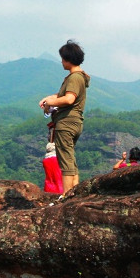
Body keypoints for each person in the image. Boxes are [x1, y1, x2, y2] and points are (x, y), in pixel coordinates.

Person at [39, 41, 90, 194]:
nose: (61, 61)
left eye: (62, 58)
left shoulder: (74, 77)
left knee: (65, 161)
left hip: (66, 123)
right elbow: (64, 95)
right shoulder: (79, 77)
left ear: (68, 59)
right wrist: (50, 98)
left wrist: (51, 102)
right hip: (75, 122)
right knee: (70, 159)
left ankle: (67, 196)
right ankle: (74, 194)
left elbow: (69, 99)